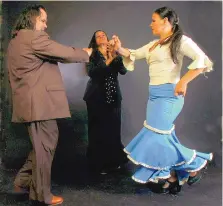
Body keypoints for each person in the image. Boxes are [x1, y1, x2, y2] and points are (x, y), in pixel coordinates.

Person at [111, 6, 213, 194]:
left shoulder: (181, 41)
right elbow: (133, 54)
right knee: (162, 137)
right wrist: (118, 48)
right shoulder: (154, 45)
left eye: (154, 20)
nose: (150, 24)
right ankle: (171, 175)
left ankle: (195, 164)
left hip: (170, 96)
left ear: (166, 21)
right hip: (154, 97)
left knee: (155, 137)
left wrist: (183, 81)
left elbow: (203, 60)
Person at [6, 5, 91, 205]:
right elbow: (64, 53)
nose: (45, 25)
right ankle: (41, 195)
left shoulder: (16, 40)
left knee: (41, 146)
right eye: (43, 20)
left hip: (31, 104)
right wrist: (88, 52)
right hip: (39, 105)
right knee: (45, 147)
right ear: (32, 19)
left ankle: (22, 181)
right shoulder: (33, 38)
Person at [83, 30, 128, 175]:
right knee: (98, 131)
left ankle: (114, 162)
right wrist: (108, 61)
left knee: (113, 130)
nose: (102, 36)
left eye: (103, 35)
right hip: (96, 97)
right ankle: (98, 163)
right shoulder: (91, 54)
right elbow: (93, 73)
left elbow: (123, 71)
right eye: (98, 36)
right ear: (94, 41)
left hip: (113, 97)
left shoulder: (113, 52)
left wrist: (116, 55)